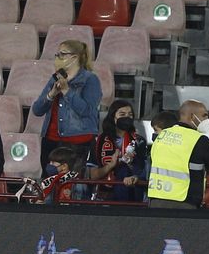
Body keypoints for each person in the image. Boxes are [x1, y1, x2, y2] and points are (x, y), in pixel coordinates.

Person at [30, 39, 102, 169]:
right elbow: (37, 110)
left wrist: (66, 91)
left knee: (73, 185)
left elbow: (87, 111)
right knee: (49, 182)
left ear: (74, 58)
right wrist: (51, 94)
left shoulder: (90, 79)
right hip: (51, 140)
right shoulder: (55, 78)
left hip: (77, 142)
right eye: (57, 55)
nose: (58, 58)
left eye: (62, 54)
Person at [146, 101, 209, 209]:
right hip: (184, 204)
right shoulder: (199, 140)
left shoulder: (161, 136)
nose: (207, 120)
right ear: (192, 116)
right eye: (204, 115)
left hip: (155, 201)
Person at [87, 99, 143, 202]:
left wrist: (130, 165)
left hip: (131, 195)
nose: (127, 117)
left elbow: (143, 172)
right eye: (122, 114)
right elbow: (92, 175)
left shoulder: (139, 141)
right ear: (113, 117)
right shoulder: (99, 141)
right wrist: (110, 165)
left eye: (130, 115)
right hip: (105, 194)